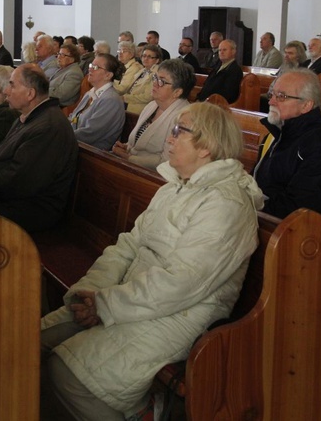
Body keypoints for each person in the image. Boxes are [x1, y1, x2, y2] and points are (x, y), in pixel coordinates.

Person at [41, 102, 263, 421]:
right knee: (36, 338)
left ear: (207, 145)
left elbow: (181, 282)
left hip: (182, 314)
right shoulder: (175, 187)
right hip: (134, 297)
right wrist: (92, 291)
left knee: (71, 374)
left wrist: (106, 305)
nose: (169, 138)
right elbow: (129, 245)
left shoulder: (225, 204)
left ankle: (142, 413)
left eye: (178, 130)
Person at [0, 64, 77, 233]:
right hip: (13, 195)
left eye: (12, 85)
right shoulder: (29, 117)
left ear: (30, 94)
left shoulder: (48, 127)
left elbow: (18, 181)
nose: (6, 91)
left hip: (33, 208)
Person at [253, 69, 321, 232]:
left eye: (281, 96)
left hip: (306, 238)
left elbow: (300, 210)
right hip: (267, 223)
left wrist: (250, 201)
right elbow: (257, 180)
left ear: (306, 105)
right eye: (272, 94)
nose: (271, 102)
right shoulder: (278, 136)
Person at [111, 59, 193, 169]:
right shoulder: (152, 105)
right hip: (133, 166)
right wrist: (126, 147)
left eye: (162, 81)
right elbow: (139, 143)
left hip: (151, 177)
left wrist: (128, 158)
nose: (154, 83)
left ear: (177, 92)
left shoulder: (183, 118)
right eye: (155, 78)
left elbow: (166, 161)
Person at [68, 53, 125, 150]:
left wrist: (61, 135)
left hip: (93, 153)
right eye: (91, 65)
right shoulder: (90, 93)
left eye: (96, 67)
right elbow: (73, 116)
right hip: (76, 145)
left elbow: (90, 133)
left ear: (108, 75)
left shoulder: (111, 100)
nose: (90, 69)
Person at [196, 39, 243, 103]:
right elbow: (207, 85)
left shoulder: (235, 70)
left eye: (224, 50)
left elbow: (227, 94)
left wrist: (207, 101)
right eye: (220, 50)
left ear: (233, 51)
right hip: (204, 102)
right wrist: (199, 98)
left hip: (216, 105)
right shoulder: (217, 67)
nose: (221, 52)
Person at [123, 44, 162, 114]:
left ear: (157, 60)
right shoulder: (142, 70)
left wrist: (125, 98)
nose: (146, 59)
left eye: (150, 57)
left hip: (140, 108)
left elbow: (147, 97)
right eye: (144, 56)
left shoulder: (156, 74)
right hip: (129, 103)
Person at [49, 43, 84, 107]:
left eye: (62, 55)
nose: (58, 57)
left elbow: (61, 95)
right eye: (59, 54)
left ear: (72, 58)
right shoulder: (63, 69)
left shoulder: (74, 73)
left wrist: (42, 92)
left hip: (60, 108)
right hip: (50, 104)